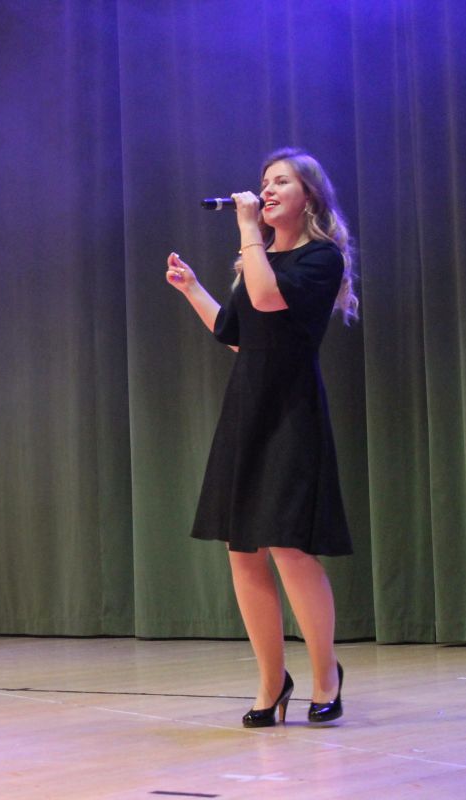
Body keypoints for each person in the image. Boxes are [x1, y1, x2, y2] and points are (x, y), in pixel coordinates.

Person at [166, 147, 358, 727]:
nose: (266, 190)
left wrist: (249, 230)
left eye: (281, 182)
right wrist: (192, 289)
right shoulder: (257, 259)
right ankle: (272, 683)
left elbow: (271, 302)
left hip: (291, 410)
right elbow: (237, 336)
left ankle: (325, 676)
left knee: (288, 546)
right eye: (263, 182)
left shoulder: (321, 258)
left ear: (309, 197)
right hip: (246, 409)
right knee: (242, 548)